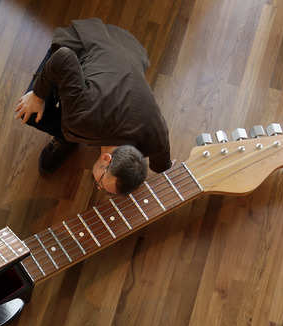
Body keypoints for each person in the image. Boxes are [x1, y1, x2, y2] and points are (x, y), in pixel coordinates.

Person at [14, 18, 171, 194]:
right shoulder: (81, 119)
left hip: (129, 47)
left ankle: (68, 135)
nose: (99, 186)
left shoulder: (156, 138)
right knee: (30, 114)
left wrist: (164, 172)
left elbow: (163, 164)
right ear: (105, 158)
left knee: (73, 124)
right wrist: (37, 95)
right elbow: (63, 57)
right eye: (102, 184)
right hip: (80, 43)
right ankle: (64, 139)